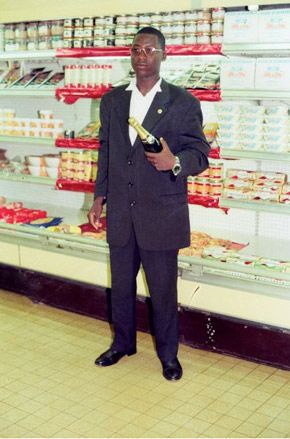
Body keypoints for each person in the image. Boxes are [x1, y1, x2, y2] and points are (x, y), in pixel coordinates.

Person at [88, 27, 210, 381]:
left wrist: (174, 161)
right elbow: (107, 152)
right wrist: (100, 196)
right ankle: (122, 343)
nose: (142, 57)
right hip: (122, 213)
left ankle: (168, 355)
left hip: (161, 213)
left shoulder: (183, 102)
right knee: (121, 286)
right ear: (131, 54)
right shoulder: (112, 101)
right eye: (136, 50)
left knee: (163, 291)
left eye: (150, 51)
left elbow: (200, 154)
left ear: (163, 55)